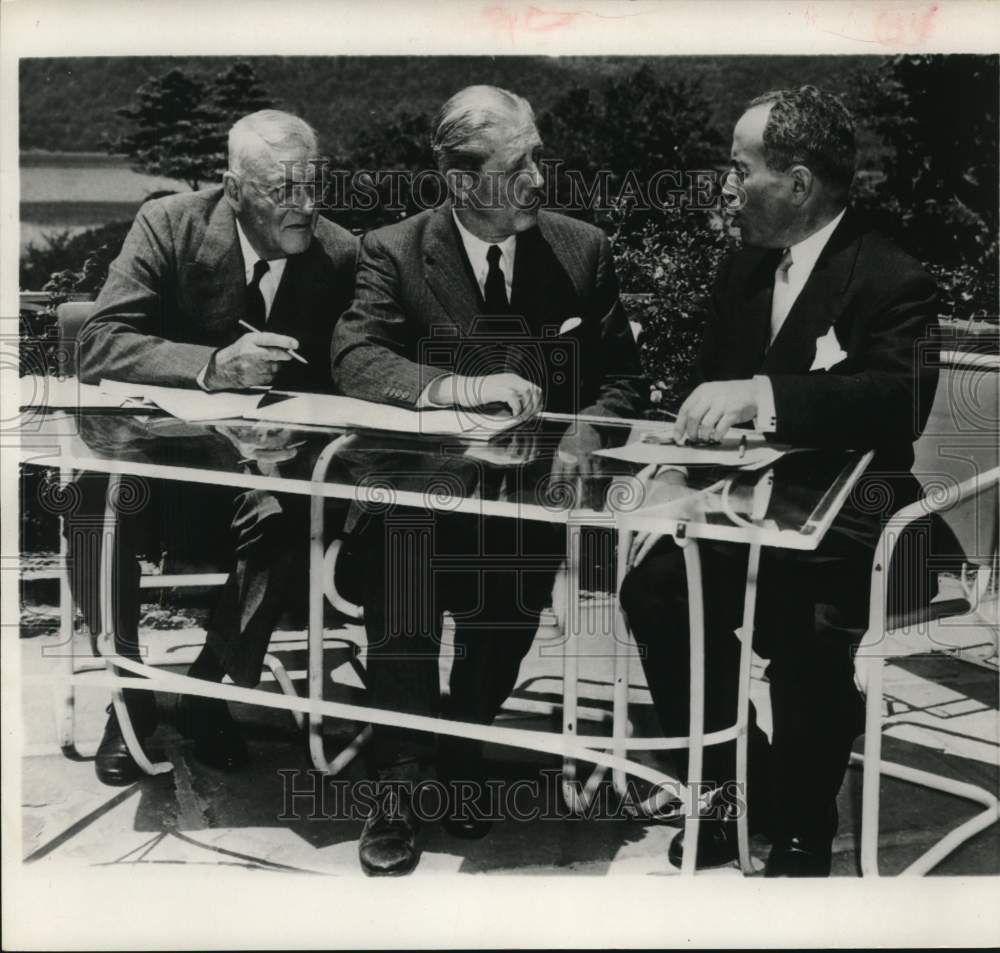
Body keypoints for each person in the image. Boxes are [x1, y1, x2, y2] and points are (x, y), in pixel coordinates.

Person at [619, 85, 939, 876]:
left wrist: (763, 398)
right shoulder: (743, 270)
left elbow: (900, 399)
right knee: (656, 590)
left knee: (805, 623)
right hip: (742, 509)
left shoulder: (892, 275)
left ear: (798, 184)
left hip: (853, 514)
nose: (727, 187)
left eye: (740, 169)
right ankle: (732, 789)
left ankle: (804, 817)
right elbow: (710, 389)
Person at [332, 84, 645, 875]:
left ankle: (464, 748)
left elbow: (623, 379)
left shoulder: (582, 251)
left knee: (505, 600)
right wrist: (461, 389)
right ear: (462, 181)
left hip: (522, 498)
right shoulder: (394, 251)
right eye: (520, 164)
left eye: (540, 154)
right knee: (404, 572)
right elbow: (357, 358)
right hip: (414, 490)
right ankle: (400, 786)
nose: (541, 178)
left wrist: (584, 429)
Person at [75, 109, 359, 785]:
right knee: (89, 502)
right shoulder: (169, 224)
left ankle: (209, 692)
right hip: (161, 465)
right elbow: (98, 344)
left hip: (262, 472)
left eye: (313, 185)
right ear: (234, 189)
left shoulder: (340, 254)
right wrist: (212, 367)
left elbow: (354, 368)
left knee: (294, 511)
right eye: (282, 192)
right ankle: (131, 698)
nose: (306, 207)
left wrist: (295, 429)